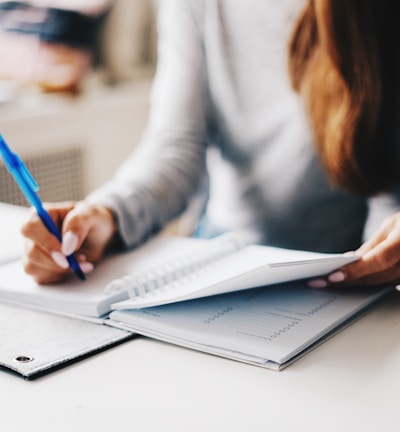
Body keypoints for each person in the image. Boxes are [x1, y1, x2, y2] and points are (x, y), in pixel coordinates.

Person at [21, 0, 400, 290]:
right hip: (222, 269)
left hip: (354, 281)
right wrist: (105, 214)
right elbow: (176, 146)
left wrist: (381, 256)